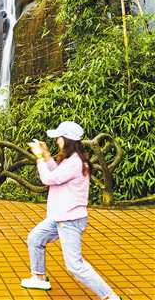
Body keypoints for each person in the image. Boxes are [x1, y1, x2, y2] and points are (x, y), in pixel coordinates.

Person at [24, 122, 122, 300]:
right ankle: (39, 278)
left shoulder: (75, 163)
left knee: (75, 266)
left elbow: (48, 179)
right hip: (60, 216)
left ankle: (110, 297)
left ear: (66, 140)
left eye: (59, 138)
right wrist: (46, 155)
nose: (57, 141)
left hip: (69, 220)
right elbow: (57, 174)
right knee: (35, 238)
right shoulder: (72, 160)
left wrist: (39, 157)